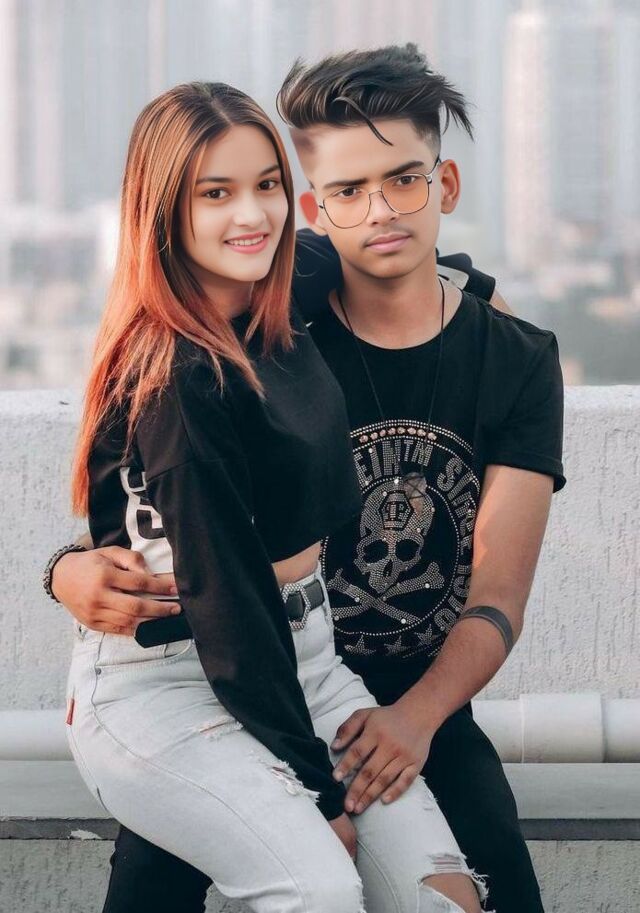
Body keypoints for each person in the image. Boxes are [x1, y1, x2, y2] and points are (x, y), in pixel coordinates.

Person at [48, 45, 565, 912]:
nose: (380, 212)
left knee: (477, 892)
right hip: (218, 666)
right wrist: (66, 567)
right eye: (349, 191)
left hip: (399, 688)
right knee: (189, 887)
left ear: (443, 185)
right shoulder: (267, 315)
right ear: (320, 207)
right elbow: (165, 504)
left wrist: (415, 719)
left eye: (404, 181)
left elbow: (498, 593)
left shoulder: (503, 355)